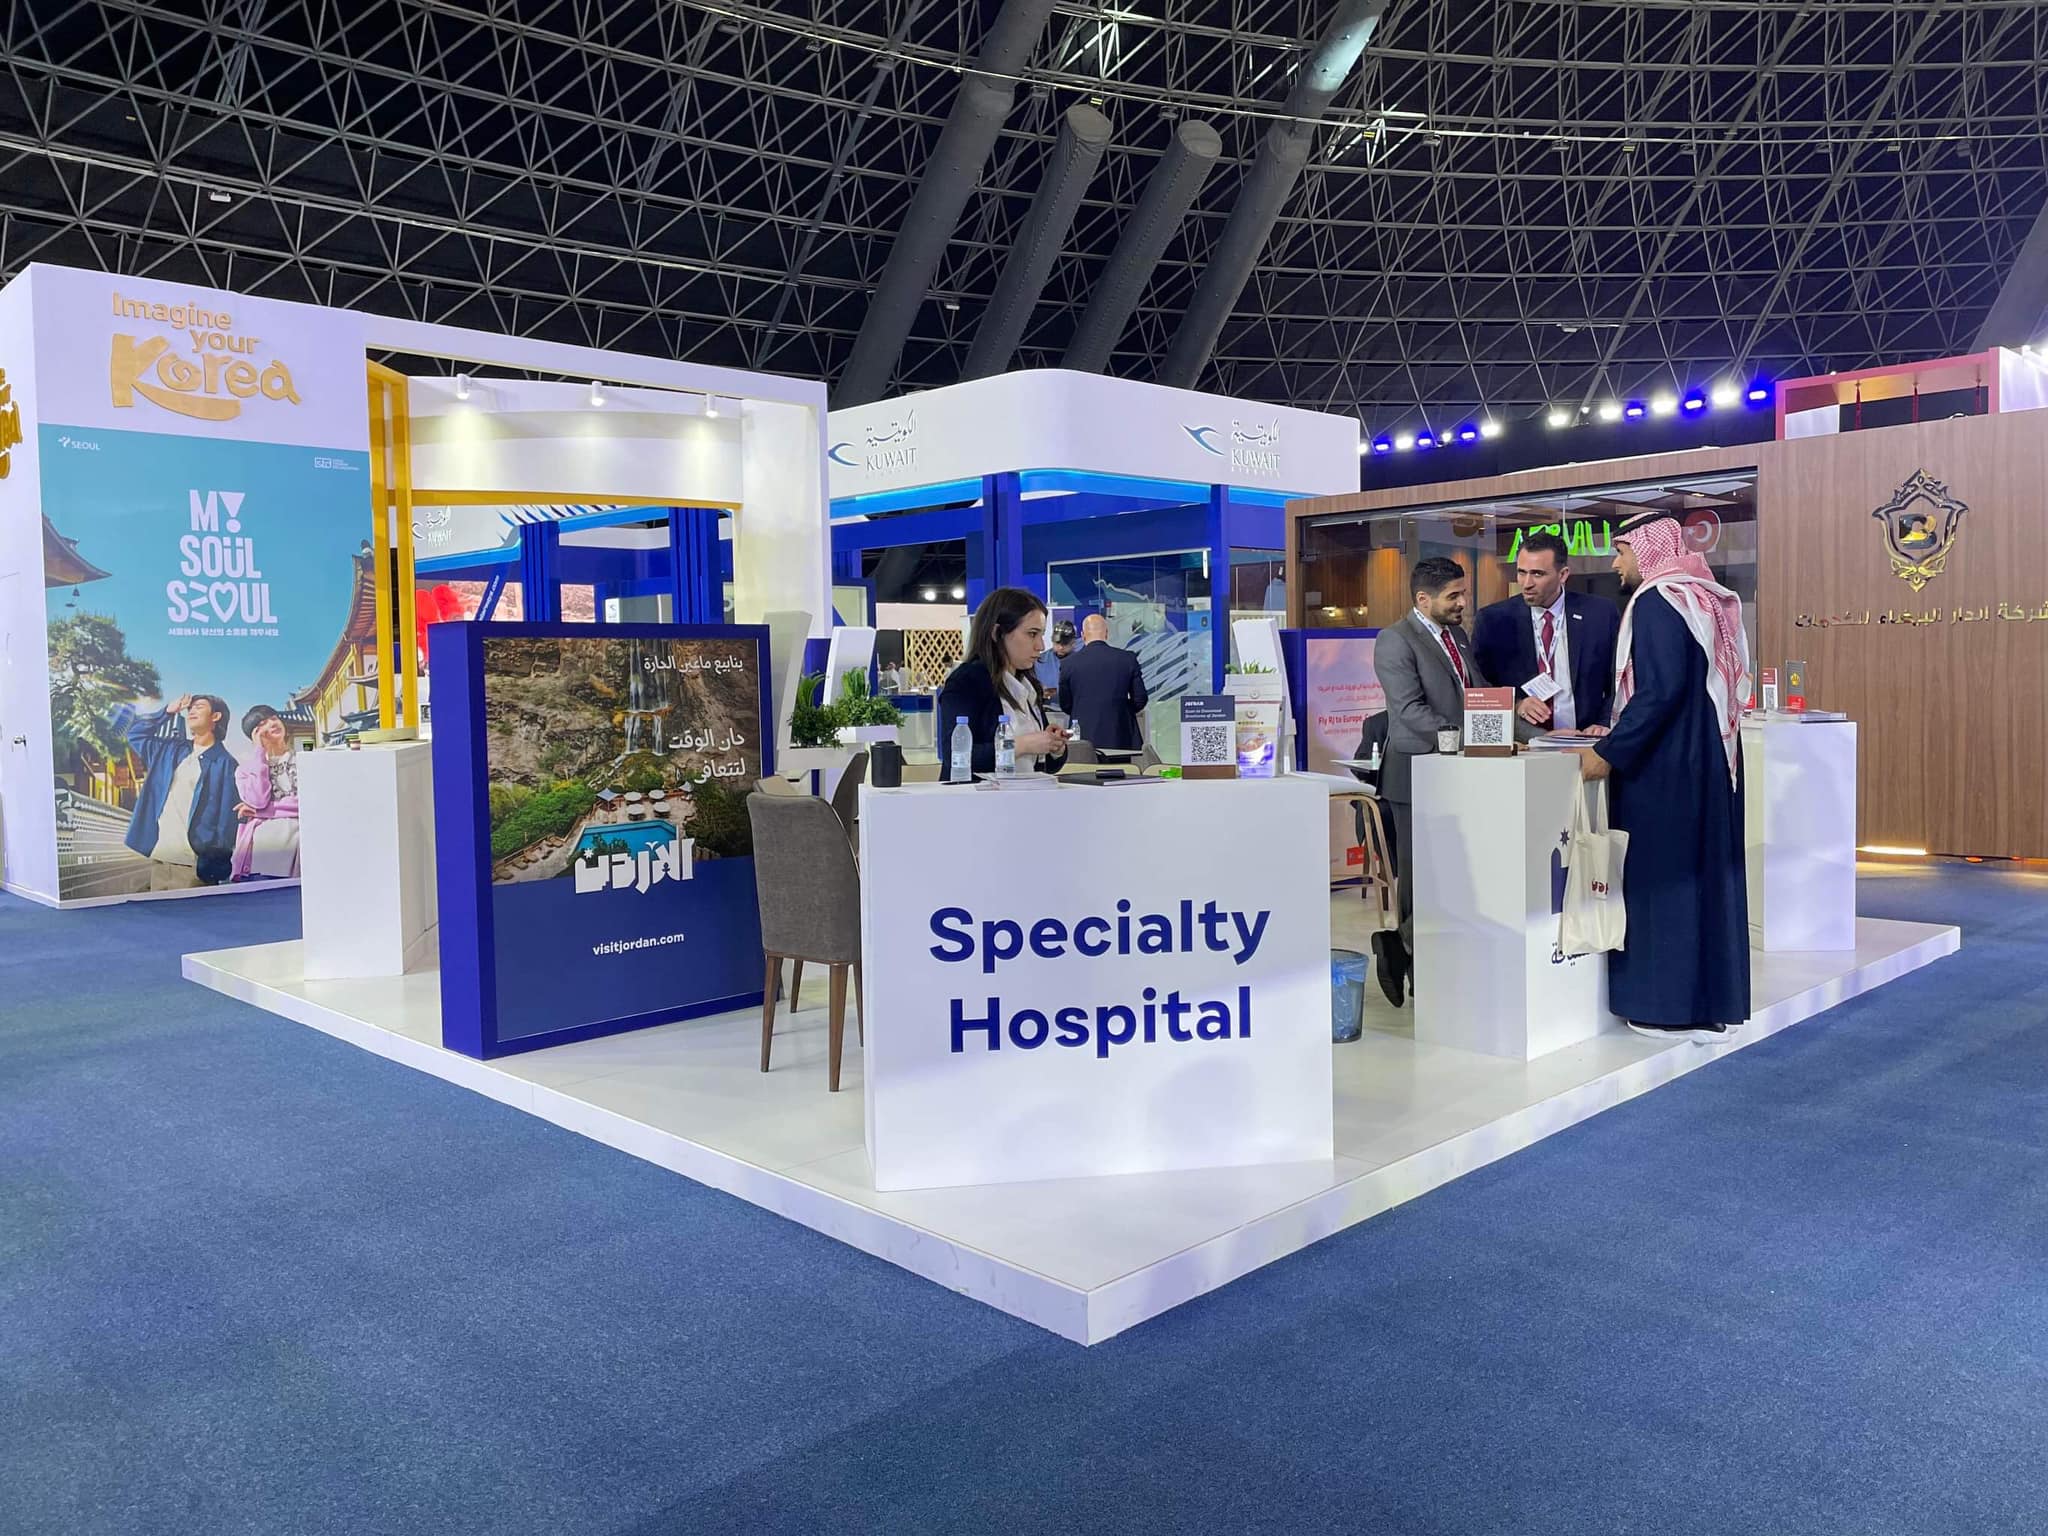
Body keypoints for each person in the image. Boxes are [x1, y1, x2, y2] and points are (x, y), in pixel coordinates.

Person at [1577, 510, 1752, 1044]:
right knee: (1704, 882)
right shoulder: (1699, 596)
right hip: (1708, 763)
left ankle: (1663, 1007)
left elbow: (1660, 691)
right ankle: (1708, 1005)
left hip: (1665, 772)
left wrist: (1609, 752)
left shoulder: (1657, 600)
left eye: (1622, 551)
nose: (1616, 563)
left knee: (1662, 885)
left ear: (1646, 549)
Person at [1368, 557, 1509, 1007]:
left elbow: (1479, 694)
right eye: (1454, 596)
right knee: (1421, 879)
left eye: (1463, 593)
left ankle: (1402, 948)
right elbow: (1409, 711)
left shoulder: (1458, 637)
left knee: (1454, 875)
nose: (1463, 602)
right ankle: (1416, 969)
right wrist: (1477, 736)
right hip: (1414, 776)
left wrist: (1532, 731)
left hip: (1458, 775)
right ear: (1422, 599)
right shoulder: (1395, 640)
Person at [1471, 530, 1622, 733]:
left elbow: (1618, 680)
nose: (1527, 584)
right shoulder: (1493, 620)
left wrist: (1604, 723)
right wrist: (1516, 704)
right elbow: (1479, 686)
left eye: (1537, 574)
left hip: (1585, 739)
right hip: (1523, 742)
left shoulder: (1600, 613)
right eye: (1522, 572)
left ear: (1563, 575)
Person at [938, 588, 1069, 779]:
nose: (1040, 646)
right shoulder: (966, 681)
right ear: (997, 633)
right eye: (1032, 634)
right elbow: (956, 755)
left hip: (1026, 793)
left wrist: (1054, 746)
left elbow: (1042, 765)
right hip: (978, 795)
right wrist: (1022, 745)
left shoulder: (1028, 685)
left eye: (1041, 635)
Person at [117, 693, 241, 890]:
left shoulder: (226, 763)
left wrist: (213, 861)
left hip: (194, 866)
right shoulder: (170, 750)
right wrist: (166, 712)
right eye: (190, 708)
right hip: (160, 858)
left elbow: (227, 820)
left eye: (199, 707)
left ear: (216, 716)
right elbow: (135, 734)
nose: (191, 711)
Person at [1057, 614, 1149, 753]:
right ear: (1106, 633)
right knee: (1122, 767)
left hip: (1083, 736)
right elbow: (1140, 699)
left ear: (1083, 635)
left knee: (1083, 766)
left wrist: (1084, 710)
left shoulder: (1068, 664)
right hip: (1120, 735)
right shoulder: (1127, 659)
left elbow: (1065, 704)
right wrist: (1120, 709)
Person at [231, 705, 302, 881]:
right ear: (254, 735)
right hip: (264, 851)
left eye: (274, 718)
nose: (272, 724)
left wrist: (262, 812)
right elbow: (258, 800)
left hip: (302, 845)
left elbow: (307, 802)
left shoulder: (303, 761)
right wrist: (259, 753)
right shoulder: (245, 771)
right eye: (262, 723)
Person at [1034, 619, 1078, 699]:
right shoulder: (1038, 661)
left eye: (1065, 643)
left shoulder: (1081, 662)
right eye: (1058, 643)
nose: (1060, 647)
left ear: (1074, 643)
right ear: (1052, 640)